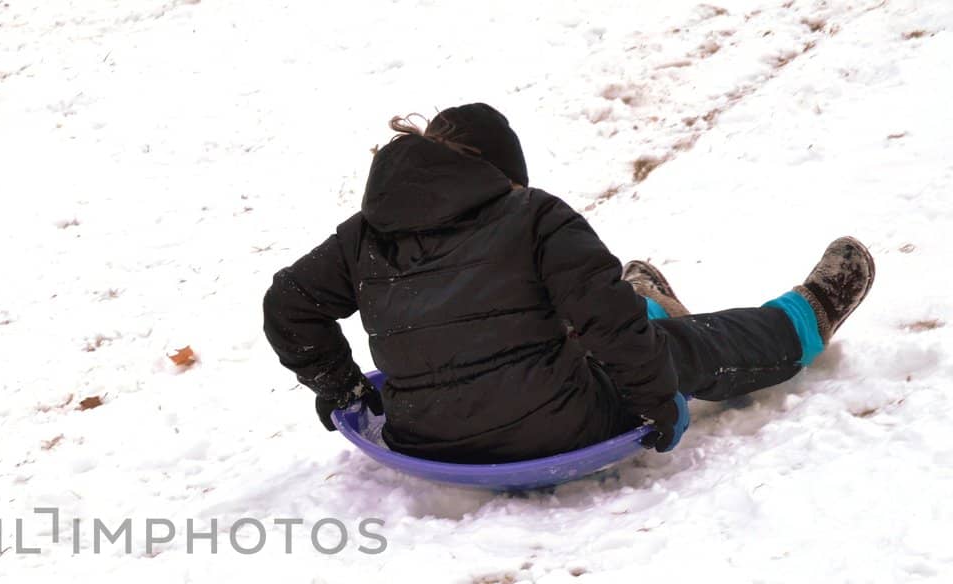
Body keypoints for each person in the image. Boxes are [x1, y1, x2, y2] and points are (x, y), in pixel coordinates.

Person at [261, 103, 875, 462]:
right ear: (499, 174)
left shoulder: (363, 234)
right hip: (562, 427)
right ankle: (803, 319)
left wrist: (342, 391)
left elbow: (289, 304)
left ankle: (648, 298)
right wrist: (657, 403)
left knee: (583, 321)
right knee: (664, 347)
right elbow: (613, 328)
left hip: (423, 439)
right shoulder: (533, 215)